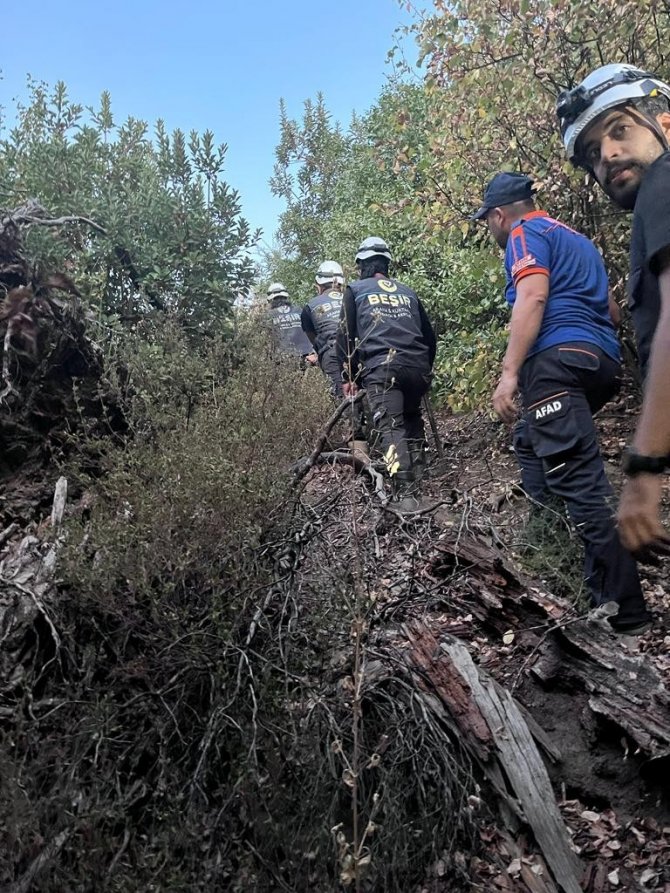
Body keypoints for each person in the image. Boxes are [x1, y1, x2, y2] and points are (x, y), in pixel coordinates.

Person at [473, 171, 651, 633]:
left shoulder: (522, 233)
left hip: (555, 364)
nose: (491, 230)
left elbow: (532, 295)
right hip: (600, 362)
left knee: (583, 485)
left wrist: (510, 373)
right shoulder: (577, 239)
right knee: (529, 439)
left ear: (498, 214)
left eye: (487, 221)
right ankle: (546, 551)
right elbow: (611, 310)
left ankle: (624, 613)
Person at [556, 63, 670, 557]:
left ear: (663, 121)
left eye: (619, 129)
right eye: (592, 153)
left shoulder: (664, 182)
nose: (608, 154)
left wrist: (644, 468)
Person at [337, 236, 436, 512]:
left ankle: (405, 491)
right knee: (412, 418)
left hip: (383, 369)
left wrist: (348, 376)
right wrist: (426, 367)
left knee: (389, 429)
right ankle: (420, 476)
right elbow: (429, 336)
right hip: (418, 366)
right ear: (387, 264)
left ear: (362, 265)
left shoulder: (355, 290)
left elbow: (345, 336)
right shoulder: (408, 291)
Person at [300, 261, 346, 396]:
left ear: (318, 286)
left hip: (331, 355)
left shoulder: (310, 306)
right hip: (356, 352)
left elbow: (314, 340)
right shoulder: (352, 298)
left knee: (342, 402)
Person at [266, 282, 316, 365]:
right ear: (286, 297)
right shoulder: (299, 310)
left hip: (283, 359)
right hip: (308, 356)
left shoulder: (268, 316)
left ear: (270, 299)